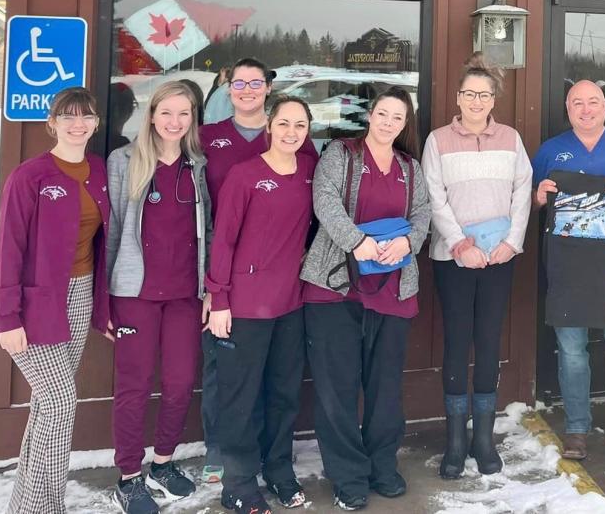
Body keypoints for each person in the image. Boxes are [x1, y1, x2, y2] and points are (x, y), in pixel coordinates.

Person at [300, 87, 430, 509]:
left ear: (404, 124)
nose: (389, 122)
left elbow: (423, 213)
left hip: (392, 288)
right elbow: (325, 200)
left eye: (398, 117)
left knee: (384, 387)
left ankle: (381, 465)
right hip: (336, 286)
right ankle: (348, 475)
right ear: (370, 115)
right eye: (383, 114)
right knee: (337, 388)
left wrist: (409, 242)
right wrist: (355, 241)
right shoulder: (341, 153)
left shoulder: (410, 167)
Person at [0, 87, 112, 514]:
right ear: (53, 123)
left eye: (86, 116)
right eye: (68, 116)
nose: (77, 124)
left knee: (47, 406)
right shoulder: (30, 176)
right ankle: (48, 507)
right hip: (36, 303)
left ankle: (25, 507)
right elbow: (8, 248)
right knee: (61, 401)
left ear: (96, 123)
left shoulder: (98, 170)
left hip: (80, 293)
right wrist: (7, 317)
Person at [198, 58, 317, 483]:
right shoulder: (222, 152)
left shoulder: (307, 163)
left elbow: (318, 213)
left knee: (281, 386)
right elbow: (223, 234)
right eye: (238, 81)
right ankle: (233, 469)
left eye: (299, 126)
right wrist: (219, 294)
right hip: (233, 285)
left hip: (286, 293)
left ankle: (276, 465)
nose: (290, 132)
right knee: (233, 384)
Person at [423, 53, 533, 479]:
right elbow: (434, 197)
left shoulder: (510, 138)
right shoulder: (437, 140)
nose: (475, 101)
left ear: (493, 100)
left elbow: (522, 192)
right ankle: (454, 441)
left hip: (498, 258)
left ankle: (483, 438)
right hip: (454, 259)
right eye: (468, 94)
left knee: (488, 342)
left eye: (483, 95)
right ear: (458, 98)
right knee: (456, 342)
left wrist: (511, 243)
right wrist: (458, 244)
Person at [105, 81, 211, 513]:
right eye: (166, 113)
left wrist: (208, 291)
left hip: (185, 293)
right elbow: (111, 230)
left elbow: (209, 232)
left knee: (181, 382)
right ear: (151, 115)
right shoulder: (125, 160)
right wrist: (105, 300)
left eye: (183, 114)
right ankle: (129, 476)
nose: (174, 122)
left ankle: (162, 464)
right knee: (133, 385)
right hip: (135, 294)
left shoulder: (198, 165)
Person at [532, 80, 605, 464]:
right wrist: (539, 196)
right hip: (569, 270)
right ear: (567, 108)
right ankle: (577, 431)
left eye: (593, 102)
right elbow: (529, 202)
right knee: (571, 352)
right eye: (577, 103)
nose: (586, 109)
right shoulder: (550, 150)